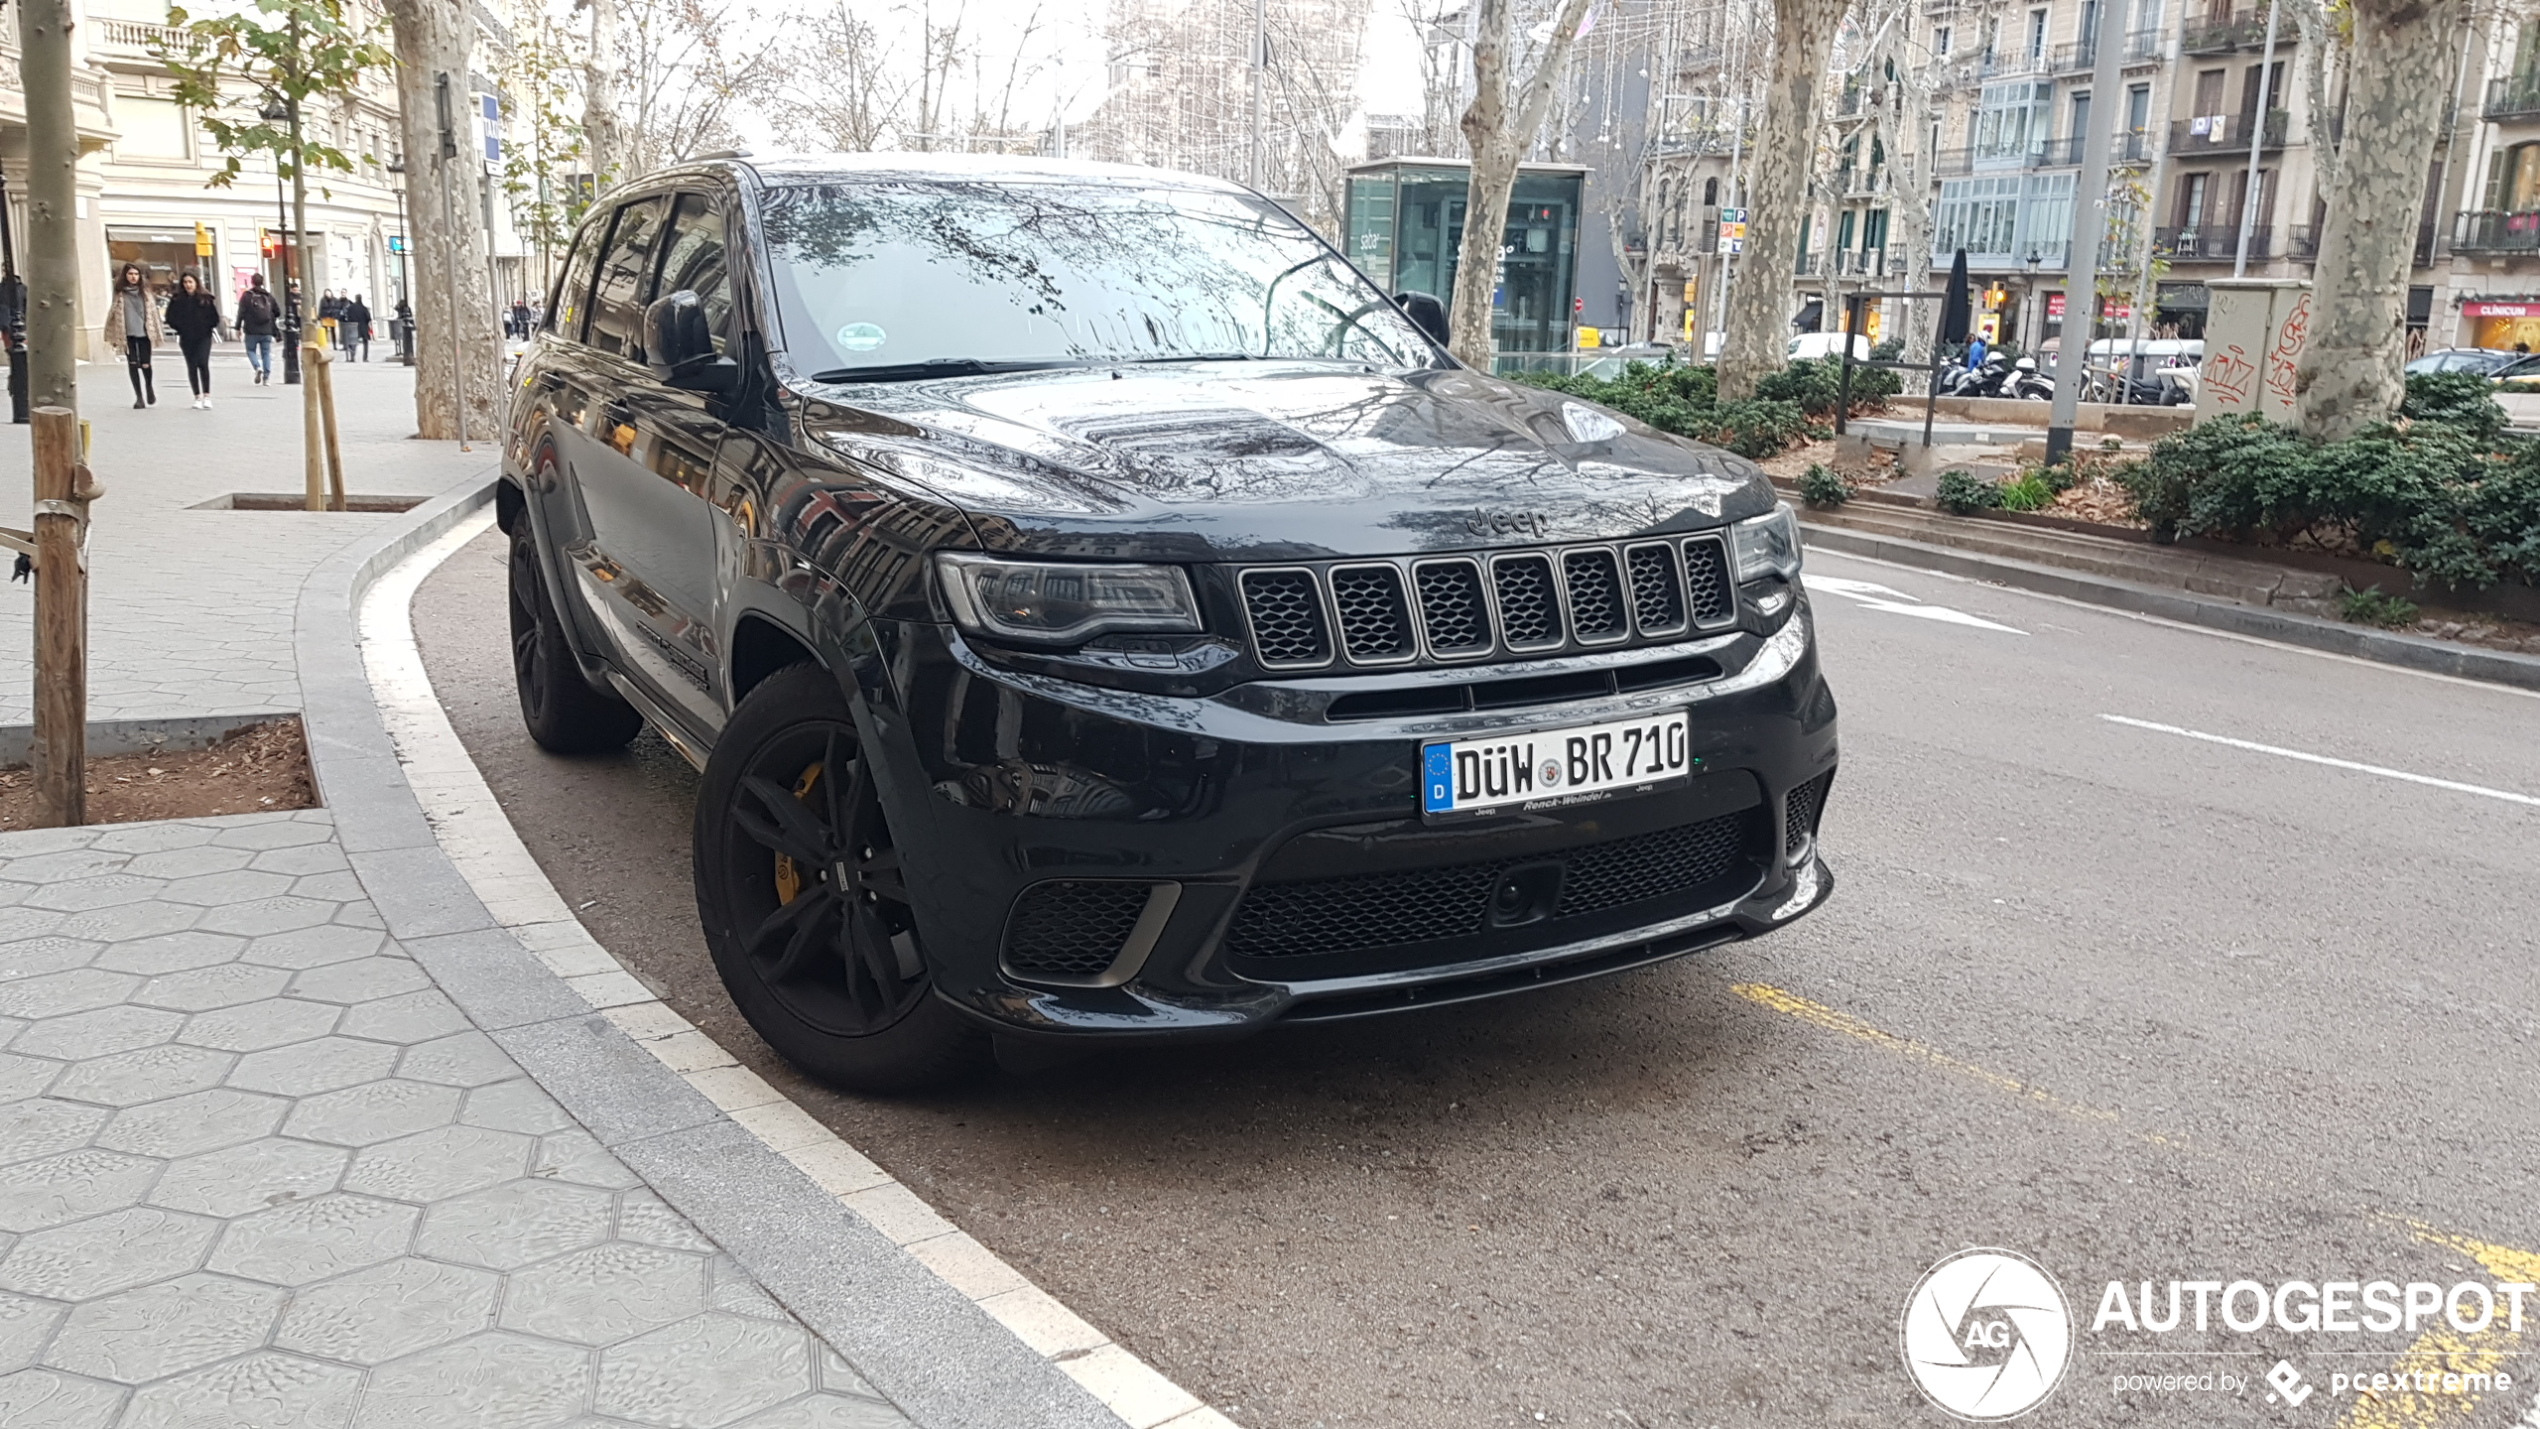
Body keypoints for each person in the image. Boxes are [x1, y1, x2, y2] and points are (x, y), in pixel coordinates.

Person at [100, 262, 163, 409]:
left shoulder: (146, 294)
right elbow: (113, 314)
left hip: (145, 333)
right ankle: (139, 397)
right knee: (133, 364)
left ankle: (149, 387)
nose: (133, 277)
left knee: (146, 364)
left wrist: (157, 333)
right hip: (127, 334)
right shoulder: (120, 294)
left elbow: (154, 315)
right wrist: (113, 335)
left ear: (140, 276)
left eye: (136, 274)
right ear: (125, 276)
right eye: (130, 274)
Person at [163, 270, 222, 409]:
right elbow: (170, 317)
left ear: (196, 283)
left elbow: (214, 317)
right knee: (192, 365)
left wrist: (208, 326)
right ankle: (197, 397)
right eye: (185, 282)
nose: (188, 285)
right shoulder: (177, 299)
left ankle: (207, 396)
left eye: (190, 282)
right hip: (186, 336)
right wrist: (180, 328)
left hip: (203, 336)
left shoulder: (205, 298)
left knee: (202, 362)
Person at [236, 273, 280, 384]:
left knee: (250, 350)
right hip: (266, 330)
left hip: (251, 330)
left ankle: (257, 367)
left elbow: (241, 313)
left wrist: (238, 328)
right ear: (262, 282)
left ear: (252, 282)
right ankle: (266, 378)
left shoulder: (247, 296)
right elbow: (277, 312)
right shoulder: (269, 296)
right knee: (266, 353)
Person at [344, 293, 372, 361]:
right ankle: (365, 357)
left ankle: (352, 357)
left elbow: (347, 316)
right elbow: (368, 318)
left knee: (353, 341)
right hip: (363, 327)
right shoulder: (364, 308)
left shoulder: (351, 308)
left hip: (353, 326)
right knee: (365, 341)